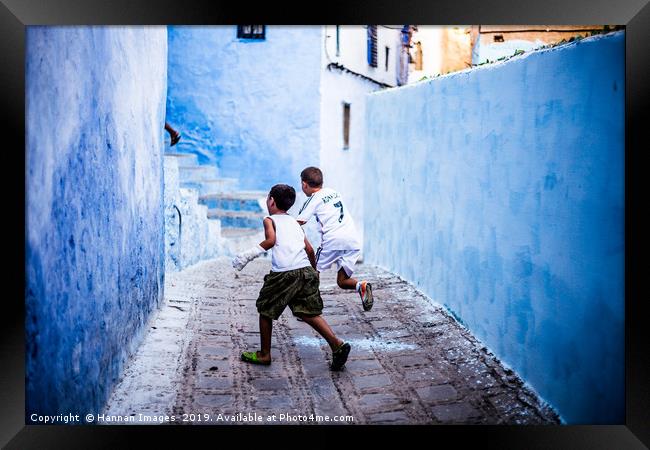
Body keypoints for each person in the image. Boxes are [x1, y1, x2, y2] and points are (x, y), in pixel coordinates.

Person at [231, 184, 351, 370]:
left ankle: (264, 354)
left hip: (283, 274)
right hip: (304, 271)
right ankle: (336, 344)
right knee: (307, 312)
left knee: (265, 310)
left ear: (271, 200)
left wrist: (246, 256)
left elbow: (271, 241)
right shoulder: (295, 222)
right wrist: (314, 270)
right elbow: (309, 249)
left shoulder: (269, 220)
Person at [296, 167, 373, 311]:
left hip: (332, 240)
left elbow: (298, 222)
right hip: (352, 241)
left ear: (304, 184)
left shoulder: (313, 199)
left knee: (313, 272)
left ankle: (309, 307)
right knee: (342, 281)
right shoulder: (334, 192)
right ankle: (361, 286)